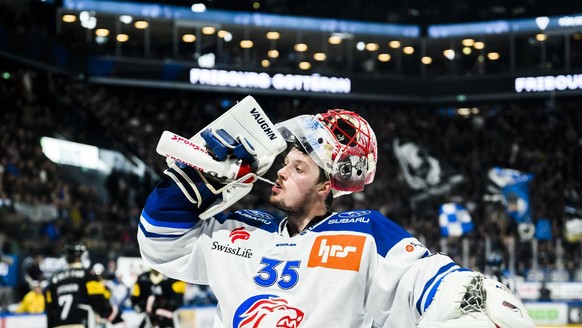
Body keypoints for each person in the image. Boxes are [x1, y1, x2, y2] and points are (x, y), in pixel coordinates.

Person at [138, 107, 535, 327]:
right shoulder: (241, 227)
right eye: (284, 162)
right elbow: (161, 242)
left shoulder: (366, 233)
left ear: (327, 186)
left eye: (298, 168)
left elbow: (424, 280)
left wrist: (468, 295)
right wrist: (196, 177)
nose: (280, 171)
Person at [44, 242, 119, 328]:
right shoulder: (88, 276)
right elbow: (98, 300)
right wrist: (110, 314)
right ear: (84, 257)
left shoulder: (55, 280)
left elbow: (49, 309)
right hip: (80, 324)